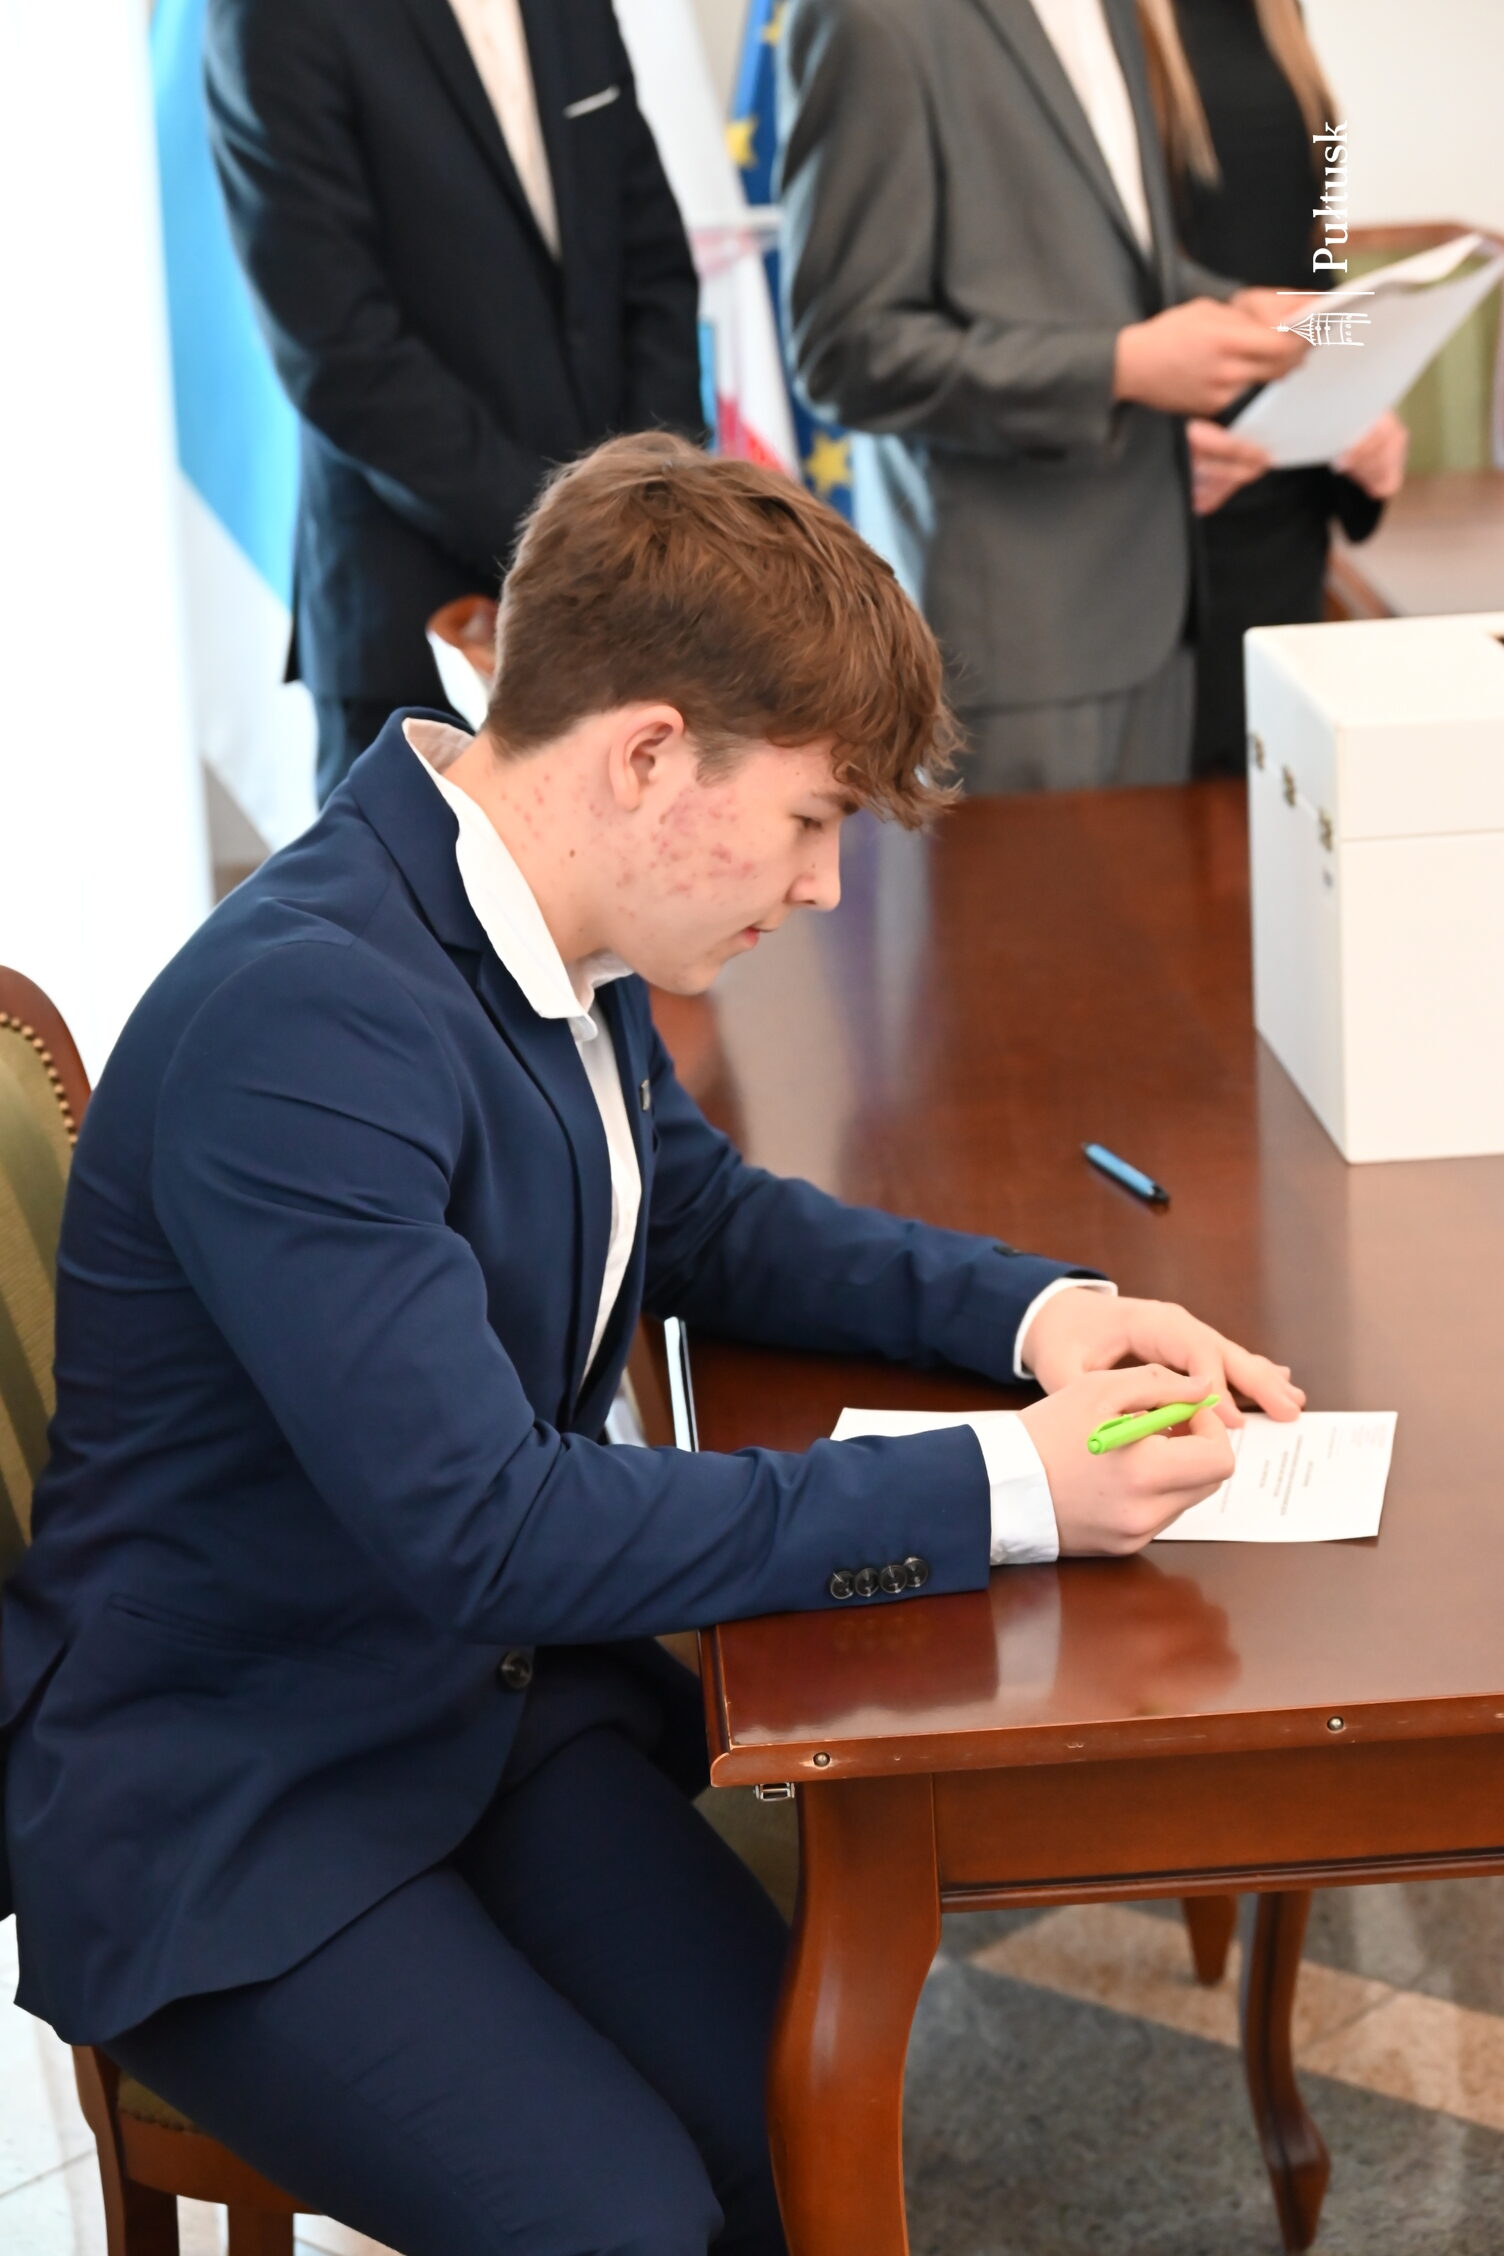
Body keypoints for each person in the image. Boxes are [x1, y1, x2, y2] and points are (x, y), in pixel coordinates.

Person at [0, 438, 1304, 2256]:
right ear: (645, 756)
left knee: (787, 2132)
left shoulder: (548, 920)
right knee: (616, 2216)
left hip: (473, 1709)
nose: (826, 885)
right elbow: (495, 1528)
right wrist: (1005, 1485)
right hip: (244, 1795)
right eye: (811, 819)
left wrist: (1045, 1313)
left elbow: (700, 1221)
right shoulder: (305, 1021)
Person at [776, 0, 1310, 795]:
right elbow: (847, 351)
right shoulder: (869, 16)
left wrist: (1229, 304)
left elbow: (1108, 266)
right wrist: (1117, 367)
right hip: (1020, 640)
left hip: (1160, 615)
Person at [205, 0, 703, 805]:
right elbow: (340, 353)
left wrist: (650, 521)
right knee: (411, 891)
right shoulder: (274, 15)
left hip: (630, 612)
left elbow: (654, 272)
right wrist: (575, 545)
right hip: (418, 629)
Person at [1138, 0, 1408, 775]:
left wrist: (1358, 392)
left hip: (1289, 490)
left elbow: (1313, 253)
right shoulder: (1106, 20)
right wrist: (1146, 445)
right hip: (1173, 491)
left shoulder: (1282, 13)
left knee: (1280, 790)